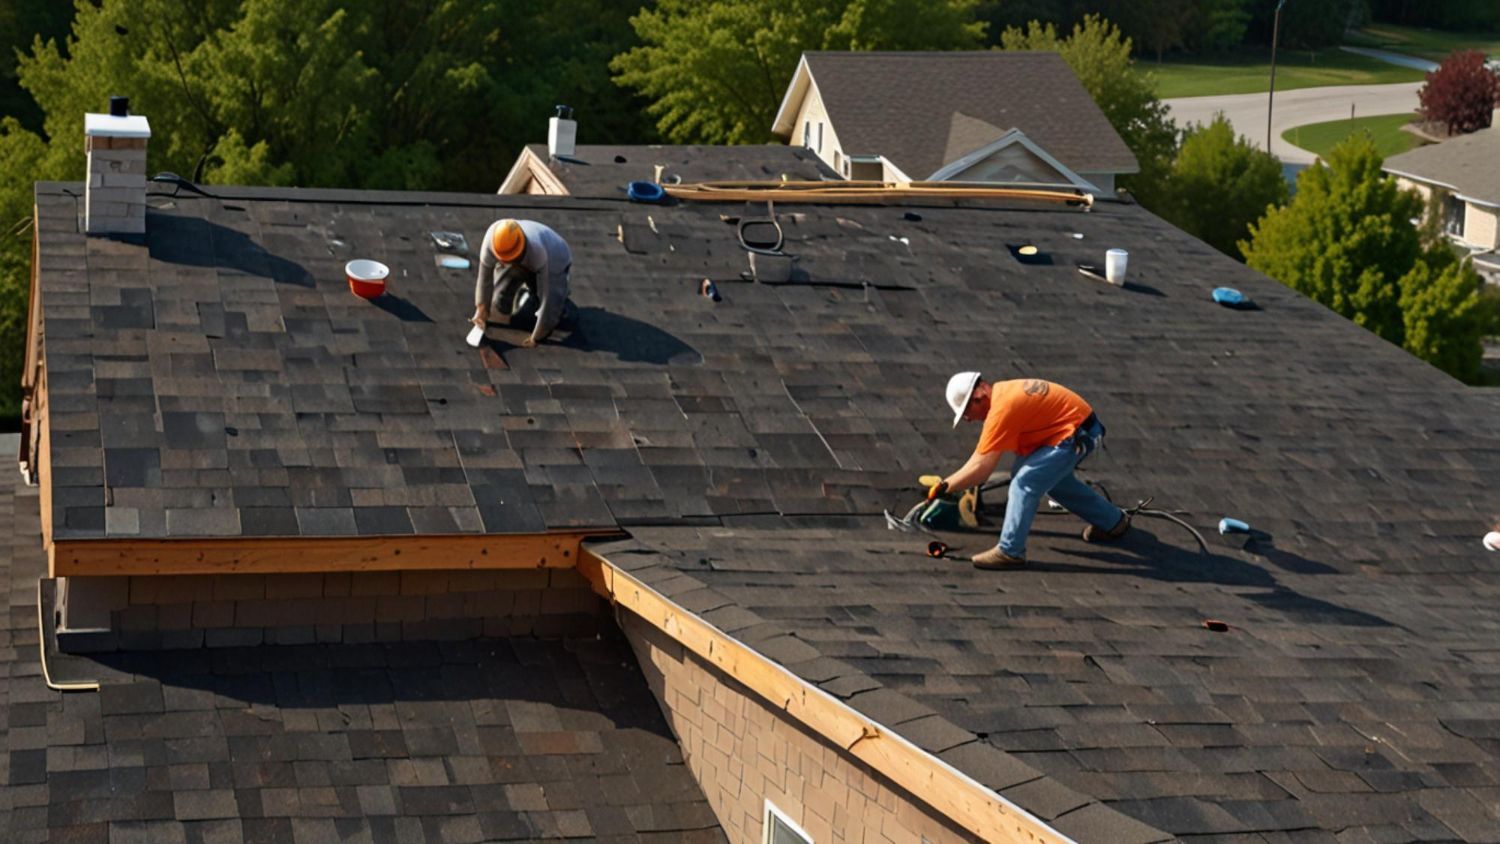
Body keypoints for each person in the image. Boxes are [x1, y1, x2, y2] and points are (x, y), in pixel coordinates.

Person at [933, 372, 1129, 569]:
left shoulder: (1002, 409)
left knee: (1024, 483)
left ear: (978, 398)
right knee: (1049, 480)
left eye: (965, 412)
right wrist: (948, 484)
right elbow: (980, 460)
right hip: (1074, 428)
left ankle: (1010, 551)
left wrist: (945, 486)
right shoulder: (1002, 394)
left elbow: (981, 468)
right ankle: (1113, 521)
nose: (967, 419)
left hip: (1075, 435)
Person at [471, 218, 574, 348]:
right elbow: (484, 279)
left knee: (548, 301)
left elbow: (548, 299)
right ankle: (512, 298)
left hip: (555, 257)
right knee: (501, 291)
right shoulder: (492, 239)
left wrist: (537, 336)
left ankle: (561, 306)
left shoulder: (538, 253)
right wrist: (481, 310)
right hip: (527, 255)